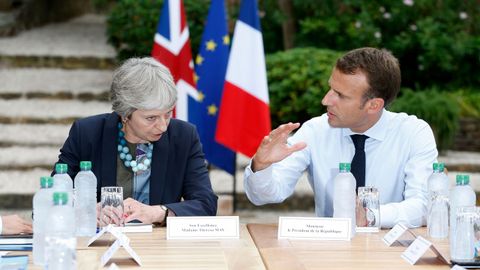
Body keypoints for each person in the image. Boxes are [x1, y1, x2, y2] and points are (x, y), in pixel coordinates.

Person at [244, 47, 438, 228]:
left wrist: (372, 216)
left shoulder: (414, 133)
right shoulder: (315, 131)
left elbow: (424, 205)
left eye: (340, 95)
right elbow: (263, 196)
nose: (326, 100)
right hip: (329, 251)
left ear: (374, 105)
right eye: (331, 88)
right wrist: (262, 166)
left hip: (392, 251)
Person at [55, 57, 218, 225]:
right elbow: (51, 198)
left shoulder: (184, 136)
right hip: (101, 244)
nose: (163, 126)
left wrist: (158, 212)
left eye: (168, 114)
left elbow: (206, 204)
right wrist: (84, 212)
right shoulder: (87, 133)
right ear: (125, 114)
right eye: (151, 118)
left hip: (160, 246)